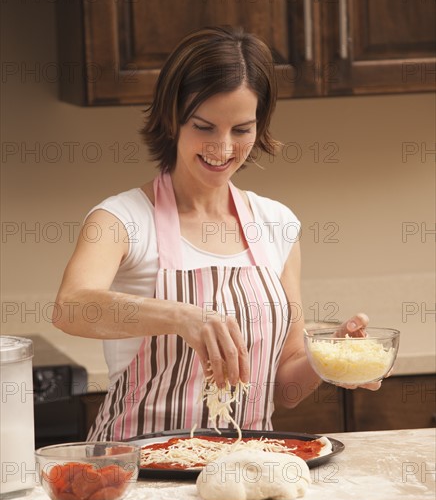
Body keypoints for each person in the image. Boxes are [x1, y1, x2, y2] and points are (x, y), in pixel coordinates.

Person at [53, 26, 380, 441]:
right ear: (172, 119)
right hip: (139, 475)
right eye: (204, 127)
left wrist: (331, 358)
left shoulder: (276, 224)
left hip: (244, 469)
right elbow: (71, 307)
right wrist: (183, 316)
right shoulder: (121, 220)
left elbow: (284, 387)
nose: (223, 148)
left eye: (241, 130)